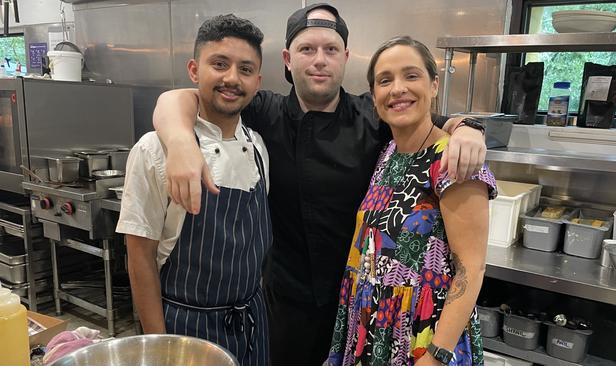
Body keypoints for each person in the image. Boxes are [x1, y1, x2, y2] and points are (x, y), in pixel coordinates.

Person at [152, 4, 488, 365]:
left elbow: (431, 121)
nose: (319, 61)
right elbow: (179, 98)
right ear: (287, 58)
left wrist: (468, 127)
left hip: (357, 309)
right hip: (284, 303)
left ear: (345, 57)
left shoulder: (374, 114)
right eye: (307, 49)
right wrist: (181, 141)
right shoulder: (264, 110)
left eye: (330, 50)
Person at [325, 36, 496, 366]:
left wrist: (436, 356)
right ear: (374, 96)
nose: (397, 88)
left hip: (424, 335)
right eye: (385, 80)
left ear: (434, 86)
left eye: (411, 76)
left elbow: (471, 269)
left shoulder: (453, 159)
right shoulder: (389, 153)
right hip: (374, 327)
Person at [116, 15, 271, 366]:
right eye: (219, 64)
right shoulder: (154, 150)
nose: (232, 78)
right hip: (185, 330)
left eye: (245, 69)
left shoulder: (258, 147)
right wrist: (159, 347)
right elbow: (140, 258)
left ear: (257, 81)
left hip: (252, 323)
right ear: (194, 70)